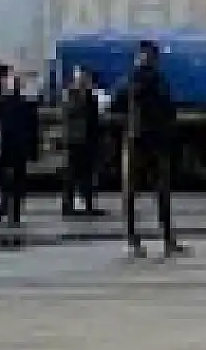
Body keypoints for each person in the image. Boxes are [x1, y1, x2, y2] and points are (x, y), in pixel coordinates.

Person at [111, 40, 185, 259]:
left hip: (155, 140)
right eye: (146, 56)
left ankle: (168, 239)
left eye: (152, 56)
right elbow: (118, 100)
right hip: (138, 139)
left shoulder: (158, 79)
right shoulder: (135, 79)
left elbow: (169, 106)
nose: (150, 59)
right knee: (131, 192)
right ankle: (133, 239)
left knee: (161, 192)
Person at [0, 69, 38, 227]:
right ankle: (14, 211)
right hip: (18, 147)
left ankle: (3, 206)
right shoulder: (27, 105)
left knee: (2, 179)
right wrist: (33, 151)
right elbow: (33, 129)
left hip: (4, 146)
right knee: (18, 180)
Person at [60, 67, 102, 217]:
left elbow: (94, 117)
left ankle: (88, 204)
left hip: (88, 140)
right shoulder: (72, 94)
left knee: (88, 174)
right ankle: (67, 204)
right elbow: (72, 112)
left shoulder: (91, 97)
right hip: (75, 140)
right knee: (72, 173)